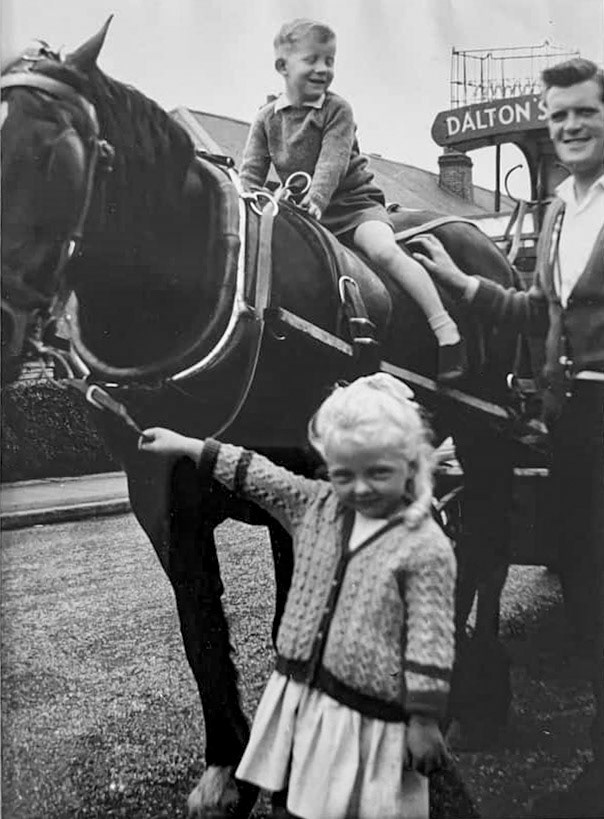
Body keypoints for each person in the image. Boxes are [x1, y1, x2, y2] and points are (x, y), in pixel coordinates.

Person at [411, 57, 604, 819]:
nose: (570, 127)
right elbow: (537, 311)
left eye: (584, 112)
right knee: (587, 585)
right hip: (572, 423)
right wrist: (462, 289)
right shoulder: (559, 210)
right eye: (559, 117)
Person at [139, 373, 456, 819]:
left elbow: (431, 635)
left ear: (412, 465)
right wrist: (188, 446)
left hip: (374, 711)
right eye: (344, 474)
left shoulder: (422, 544)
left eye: (379, 472)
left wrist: (423, 718)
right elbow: (253, 473)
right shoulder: (317, 505)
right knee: (302, 801)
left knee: (373, 800)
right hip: (310, 699)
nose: (361, 489)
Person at [239, 18, 466, 385]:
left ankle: (446, 330)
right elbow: (250, 172)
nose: (323, 69)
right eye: (312, 60)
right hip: (302, 215)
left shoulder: (336, 110)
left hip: (352, 205)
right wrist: (246, 205)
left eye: (329, 61)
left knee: (384, 251)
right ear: (283, 67)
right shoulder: (266, 118)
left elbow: (332, 161)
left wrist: (316, 199)